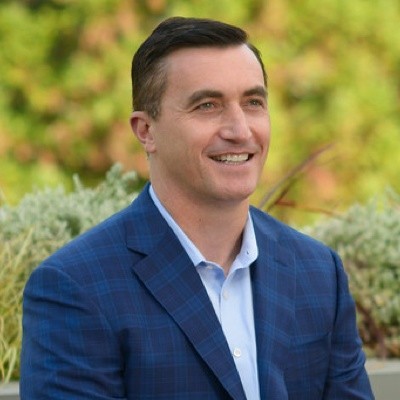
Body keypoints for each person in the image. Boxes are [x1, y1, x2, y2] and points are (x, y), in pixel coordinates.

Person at [20, 16, 374, 399]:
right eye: (207, 106)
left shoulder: (318, 272)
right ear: (146, 131)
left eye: (253, 103)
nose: (240, 130)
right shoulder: (75, 287)